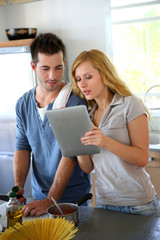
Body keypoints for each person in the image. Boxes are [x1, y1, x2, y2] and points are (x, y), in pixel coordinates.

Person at [71, 49, 160, 216]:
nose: (82, 84)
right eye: (78, 79)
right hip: (104, 202)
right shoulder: (88, 116)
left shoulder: (129, 104)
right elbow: (88, 167)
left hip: (138, 205)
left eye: (88, 77)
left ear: (104, 74)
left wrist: (104, 140)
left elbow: (141, 158)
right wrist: (77, 145)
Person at [13, 33, 91, 217]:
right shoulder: (23, 104)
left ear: (64, 63)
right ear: (33, 66)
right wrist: (19, 186)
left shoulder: (76, 102)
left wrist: (51, 199)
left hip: (72, 200)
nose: (52, 76)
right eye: (45, 68)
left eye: (58, 68)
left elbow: (70, 155)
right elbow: (22, 147)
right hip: (38, 198)